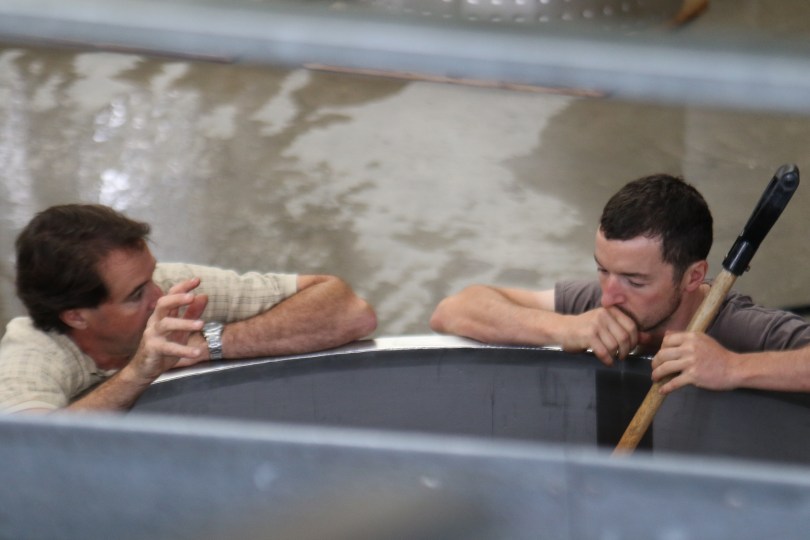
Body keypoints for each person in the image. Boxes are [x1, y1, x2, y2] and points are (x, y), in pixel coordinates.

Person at [430, 174, 810, 394]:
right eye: (602, 269)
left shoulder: (738, 325)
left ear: (693, 277)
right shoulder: (597, 303)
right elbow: (452, 311)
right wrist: (565, 326)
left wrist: (733, 368)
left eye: (635, 281)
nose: (609, 295)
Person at [0, 204, 377, 413]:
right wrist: (139, 372)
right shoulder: (29, 355)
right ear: (76, 316)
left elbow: (349, 311)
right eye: (136, 295)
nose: (158, 294)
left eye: (152, 275)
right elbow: (28, 454)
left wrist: (210, 343)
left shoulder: (168, 285)